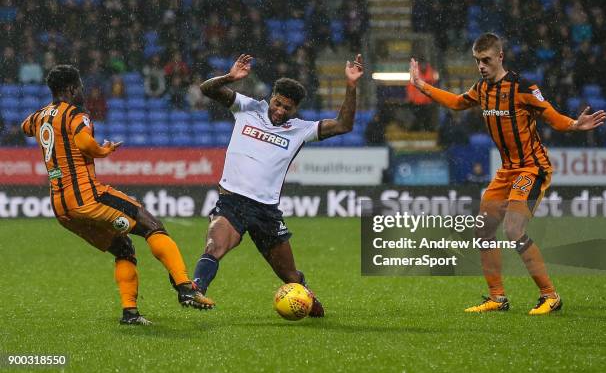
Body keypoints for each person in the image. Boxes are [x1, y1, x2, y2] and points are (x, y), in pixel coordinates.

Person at [409, 33, 606, 315]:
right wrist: (420, 84)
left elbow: (550, 115)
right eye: (477, 61)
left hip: (532, 167)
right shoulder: (481, 89)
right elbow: (455, 102)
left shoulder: (523, 87)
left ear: (500, 57)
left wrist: (575, 124)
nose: (481, 66)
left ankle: (550, 296)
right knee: (484, 229)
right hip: (507, 171)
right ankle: (497, 298)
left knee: (513, 230)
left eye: (486, 60)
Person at [21, 65, 214, 325]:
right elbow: (84, 143)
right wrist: (104, 150)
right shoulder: (77, 113)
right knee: (151, 224)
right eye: (79, 87)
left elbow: (25, 127)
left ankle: (130, 313)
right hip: (87, 196)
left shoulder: (40, 116)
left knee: (123, 247)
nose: (82, 91)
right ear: (69, 89)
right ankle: (185, 287)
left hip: (62, 208)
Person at [193, 53, 364, 317]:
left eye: (288, 108)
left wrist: (351, 86)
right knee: (214, 247)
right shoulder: (247, 107)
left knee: (290, 276)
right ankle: (196, 289)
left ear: (295, 110)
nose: (280, 111)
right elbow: (206, 89)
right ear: (271, 96)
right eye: (278, 103)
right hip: (232, 202)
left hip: (266, 212)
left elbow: (344, 125)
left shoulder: (300, 129)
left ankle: (305, 295)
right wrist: (230, 77)